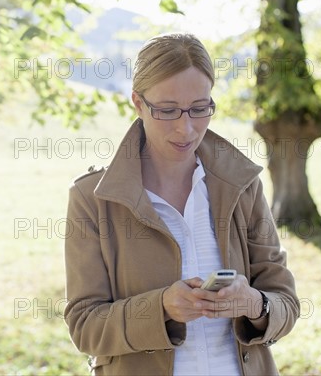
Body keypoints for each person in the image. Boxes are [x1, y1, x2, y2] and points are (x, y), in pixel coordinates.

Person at [63, 33, 299, 375]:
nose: (186, 129)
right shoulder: (92, 198)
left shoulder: (243, 185)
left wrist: (254, 303)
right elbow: (85, 327)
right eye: (168, 110)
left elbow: (286, 303)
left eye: (199, 109)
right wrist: (161, 308)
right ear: (138, 103)